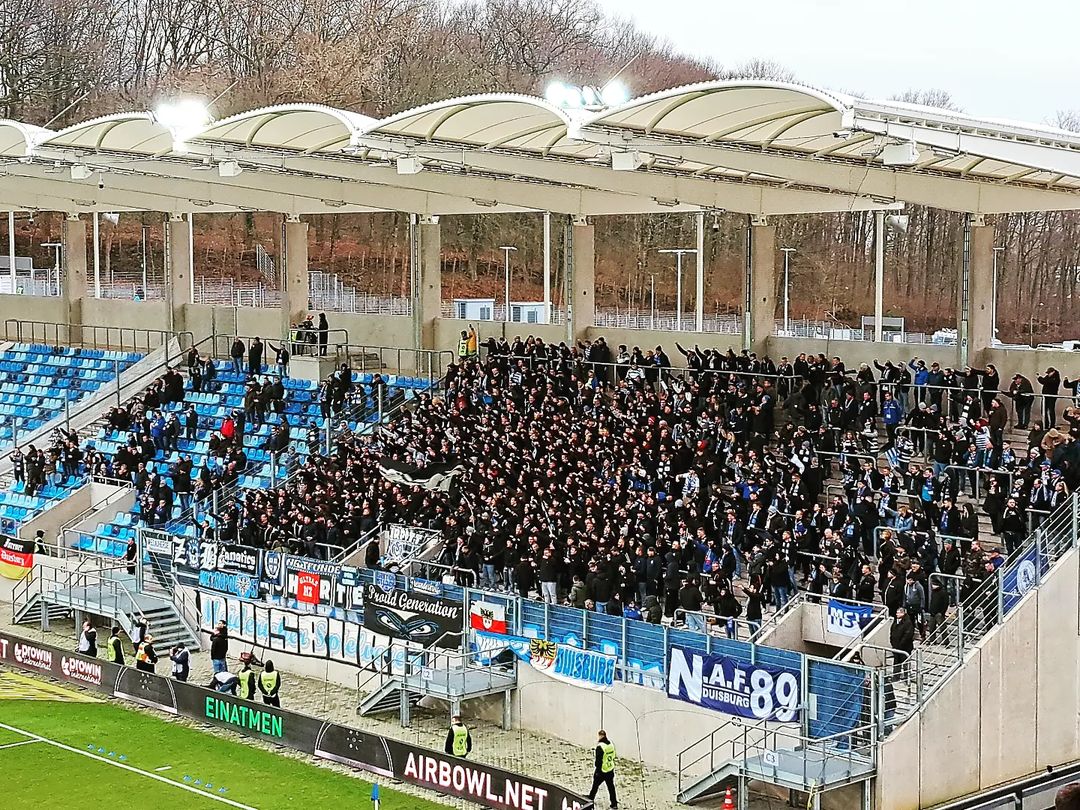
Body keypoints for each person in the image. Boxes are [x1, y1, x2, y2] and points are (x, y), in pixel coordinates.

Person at [587, 729, 618, 810]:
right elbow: (614, 755)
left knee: (595, 785)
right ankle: (614, 803)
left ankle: (590, 799)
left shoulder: (600, 746)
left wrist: (597, 770)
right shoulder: (611, 744)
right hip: (610, 769)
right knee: (611, 787)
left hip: (602, 770)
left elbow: (598, 760)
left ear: (600, 736)